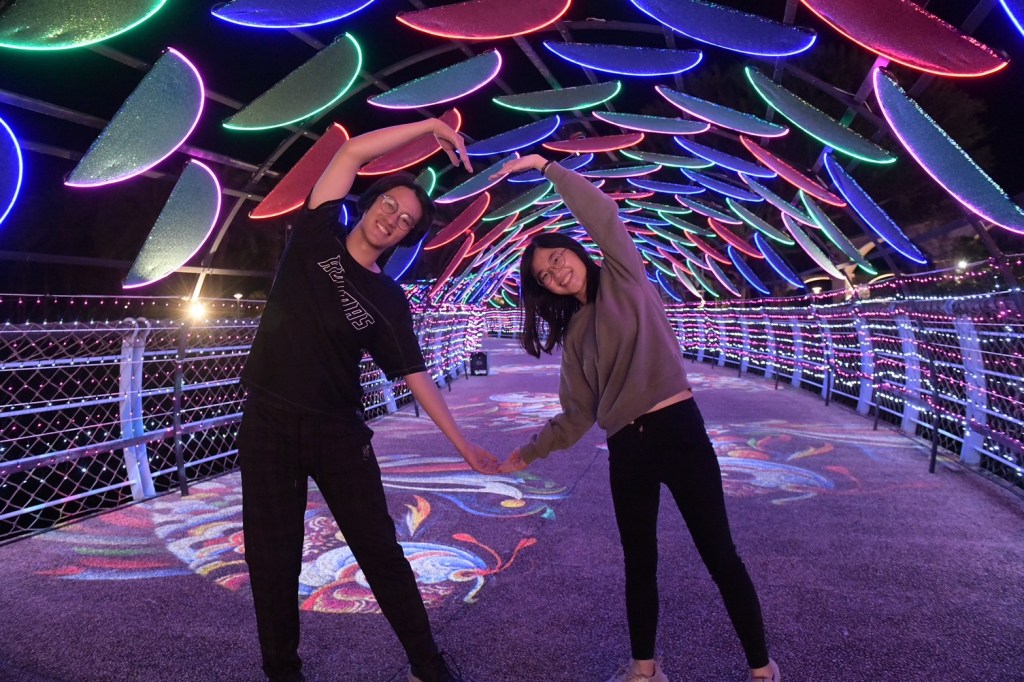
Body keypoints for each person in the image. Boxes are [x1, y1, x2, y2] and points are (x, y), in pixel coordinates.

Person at [491, 154, 781, 682]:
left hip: (679, 430)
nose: (555, 273)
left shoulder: (624, 275)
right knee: (639, 560)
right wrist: (529, 452)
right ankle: (644, 669)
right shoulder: (575, 334)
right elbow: (577, 413)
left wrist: (546, 167)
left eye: (556, 258)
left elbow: (602, 213)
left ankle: (762, 669)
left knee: (719, 553)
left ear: (574, 250)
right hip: (628, 449)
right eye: (544, 276)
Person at [238, 117, 496, 682]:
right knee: (272, 554)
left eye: (405, 222)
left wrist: (464, 445)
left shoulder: (387, 298)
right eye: (389, 205)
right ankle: (281, 670)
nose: (392, 219)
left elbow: (415, 374)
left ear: (406, 237)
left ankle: (427, 664)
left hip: (336, 432)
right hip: (268, 419)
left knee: (378, 548)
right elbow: (351, 151)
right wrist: (432, 126)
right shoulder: (316, 236)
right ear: (371, 201)